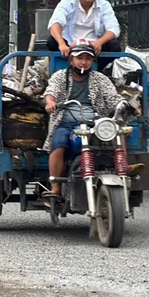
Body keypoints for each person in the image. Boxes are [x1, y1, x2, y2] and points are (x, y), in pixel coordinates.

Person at [42, 41, 127, 202]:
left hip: (95, 123)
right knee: (58, 145)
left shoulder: (99, 79)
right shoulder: (60, 76)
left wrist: (124, 105)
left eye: (88, 58)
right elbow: (51, 91)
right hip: (66, 123)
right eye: (80, 58)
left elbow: (112, 97)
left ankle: (123, 168)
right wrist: (51, 102)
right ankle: (55, 187)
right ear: (71, 60)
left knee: (117, 131)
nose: (84, 62)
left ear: (92, 61)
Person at [47, 0, 121, 73]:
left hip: (94, 47)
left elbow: (114, 28)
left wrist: (99, 42)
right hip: (70, 45)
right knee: (51, 41)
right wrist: (61, 43)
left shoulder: (104, 5)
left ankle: (96, 71)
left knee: (114, 46)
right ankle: (66, 69)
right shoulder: (68, 1)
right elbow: (55, 23)